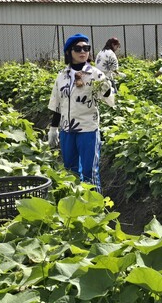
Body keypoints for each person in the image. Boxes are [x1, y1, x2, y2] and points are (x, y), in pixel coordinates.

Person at [47, 33, 115, 193]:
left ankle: (96, 209)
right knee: (70, 171)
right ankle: (75, 207)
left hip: (88, 130)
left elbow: (109, 100)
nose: (83, 51)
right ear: (69, 52)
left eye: (86, 48)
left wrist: (107, 88)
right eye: (78, 48)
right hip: (67, 131)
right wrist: (53, 129)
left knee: (89, 172)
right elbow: (57, 104)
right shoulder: (61, 76)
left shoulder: (96, 74)